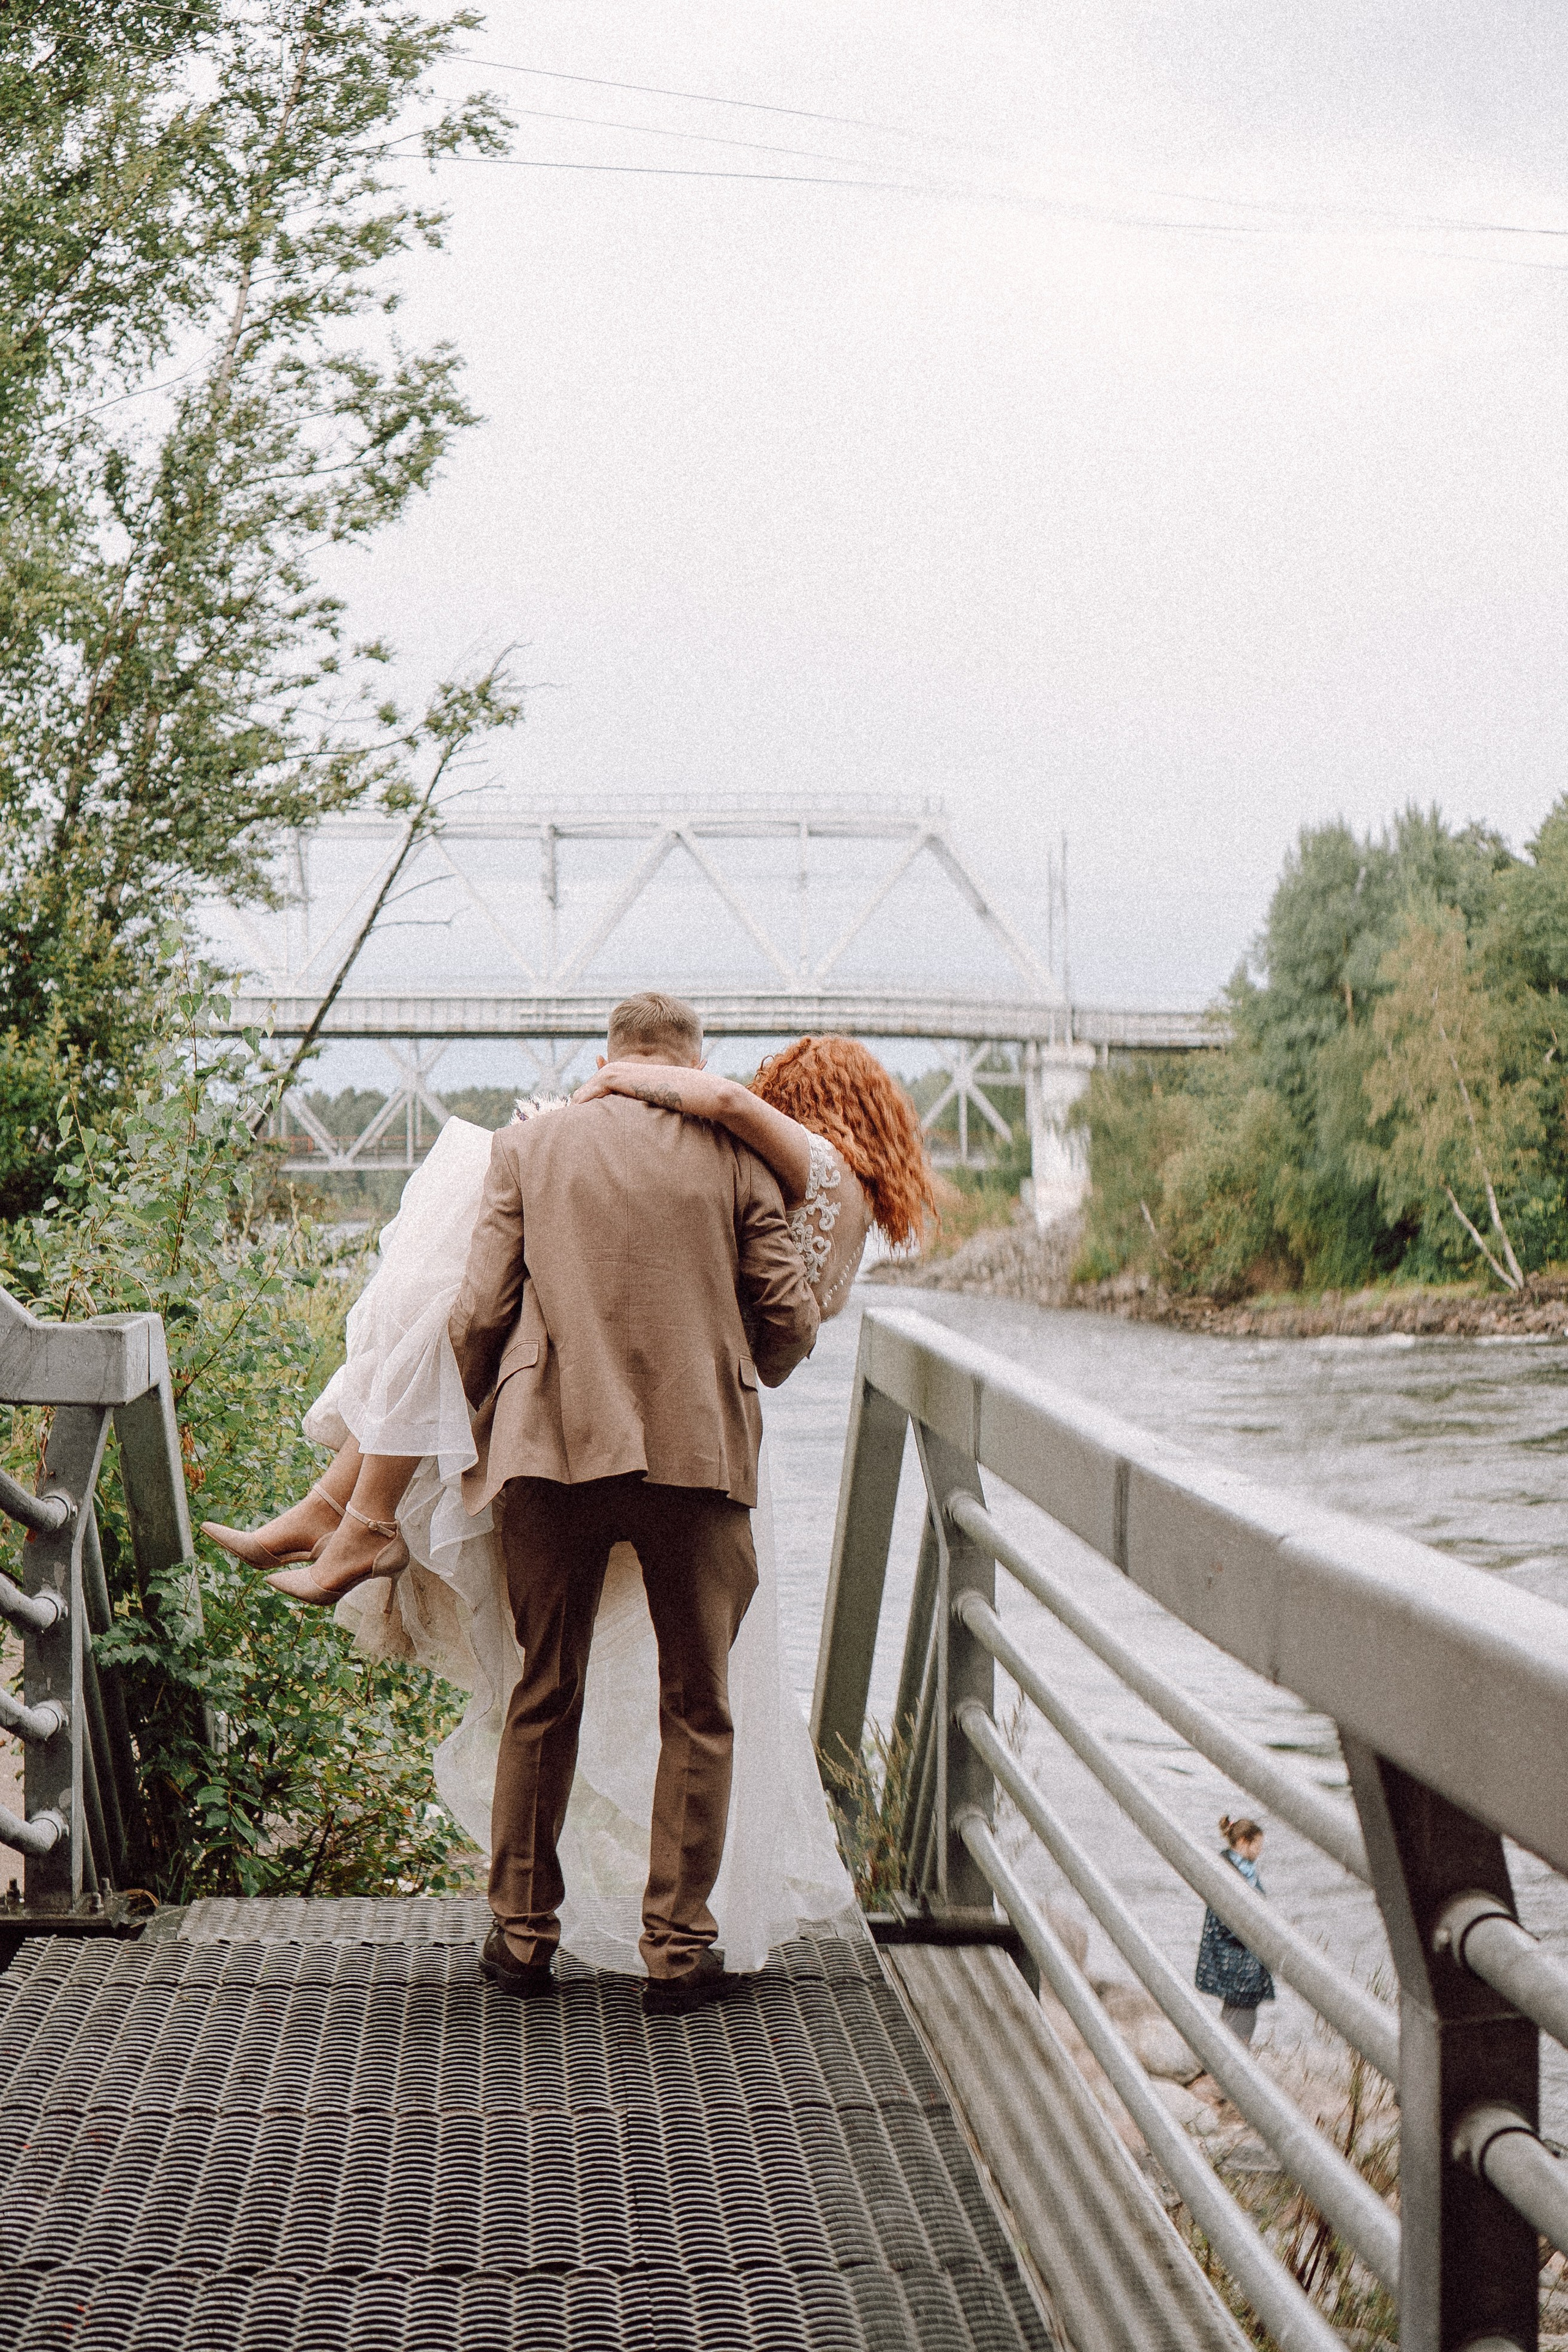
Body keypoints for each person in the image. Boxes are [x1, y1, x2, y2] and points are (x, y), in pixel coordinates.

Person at [200, 1006, 936, 1985]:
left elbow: (477, 1313)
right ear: (691, 1062)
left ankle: (521, 1939)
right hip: (698, 1466)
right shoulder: (745, 1168)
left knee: (543, 1693)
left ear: (610, 1060)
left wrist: (458, 1424)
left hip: (550, 1459)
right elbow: (788, 1321)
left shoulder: (531, 1147)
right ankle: (676, 1950)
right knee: (699, 1706)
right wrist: (724, 1377)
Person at [1194, 1814, 1275, 2045]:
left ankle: (1226, 2059)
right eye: (1257, 1845)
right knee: (1241, 2016)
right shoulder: (1228, 1873)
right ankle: (1231, 2065)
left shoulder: (1242, 1869)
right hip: (1234, 1957)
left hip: (1238, 1958)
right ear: (1243, 1842)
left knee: (1237, 2013)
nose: (1260, 1851)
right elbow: (1227, 1920)